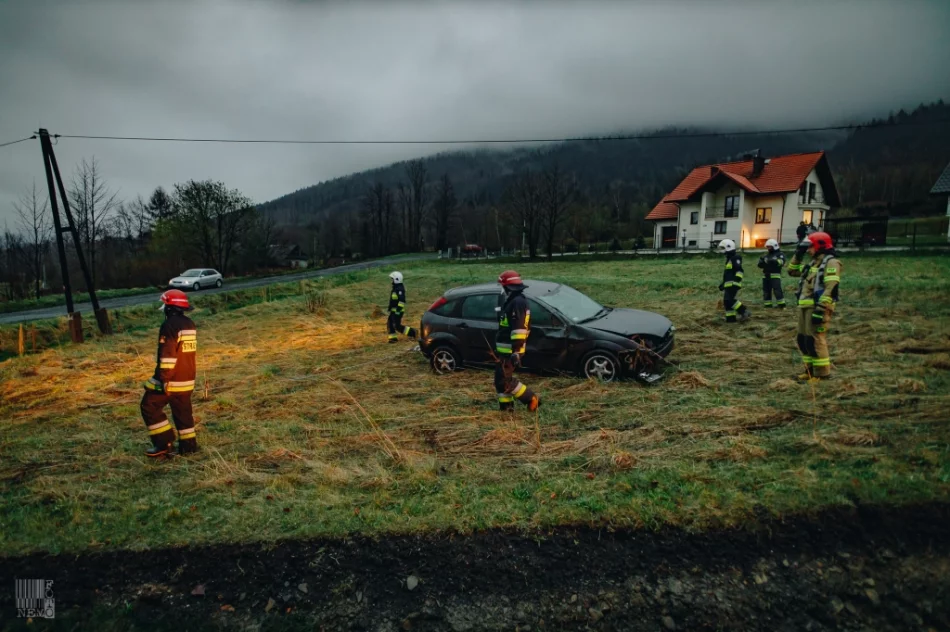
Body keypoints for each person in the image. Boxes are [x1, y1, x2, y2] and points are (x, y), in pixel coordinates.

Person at [141, 289, 198, 457]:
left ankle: (164, 443)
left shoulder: (169, 325)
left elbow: (168, 355)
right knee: (183, 412)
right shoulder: (189, 324)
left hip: (171, 380)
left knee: (149, 406)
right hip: (187, 379)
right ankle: (189, 447)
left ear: (170, 308)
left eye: (165, 305)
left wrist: (164, 379)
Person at [787, 231, 842, 380]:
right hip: (805, 307)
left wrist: (821, 309)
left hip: (817, 307)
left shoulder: (831, 263)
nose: (808, 250)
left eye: (810, 247)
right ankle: (810, 371)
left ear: (820, 246)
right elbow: (791, 271)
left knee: (815, 340)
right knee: (803, 340)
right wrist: (798, 254)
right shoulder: (813, 264)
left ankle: (822, 374)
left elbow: (831, 288)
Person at [494, 270, 541, 412]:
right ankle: (507, 409)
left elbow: (519, 329)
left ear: (508, 287)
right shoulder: (514, 301)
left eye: (502, 286)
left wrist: (516, 352)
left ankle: (531, 398)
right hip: (505, 350)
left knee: (503, 381)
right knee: (500, 381)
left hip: (511, 351)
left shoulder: (517, 303)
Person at [716, 239, 751, 323]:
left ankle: (744, 311)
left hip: (733, 284)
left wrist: (737, 279)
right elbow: (728, 275)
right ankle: (731, 319)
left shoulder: (735, 258)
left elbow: (739, 270)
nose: (723, 250)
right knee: (726, 302)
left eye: (723, 248)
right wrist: (723, 284)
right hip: (728, 284)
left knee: (730, 300)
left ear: (728, 247)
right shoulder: (729, 259)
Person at [386, 271, 417, 343]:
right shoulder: (396, 288)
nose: (391, 280)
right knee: (390, 324)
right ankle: (393, 339)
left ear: (396, 279)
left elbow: (401, 301)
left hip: (398, 311)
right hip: (394, 310)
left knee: (397, 326)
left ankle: (413, 332)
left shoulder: (399, 289)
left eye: (392, 279)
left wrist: (397, 311)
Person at [757, 238, 787, 308]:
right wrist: (762, 262)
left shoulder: (780, 254)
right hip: (765, 275)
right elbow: (760, 265)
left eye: (769, 247)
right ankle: (768, 305)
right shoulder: (766, 255)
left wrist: (772, 261)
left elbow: (781, 262)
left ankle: (781, 305)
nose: (768, 248)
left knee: (777, 290)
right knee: (766, 291)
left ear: (774, 246)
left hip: (775, 275)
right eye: (767, 247)